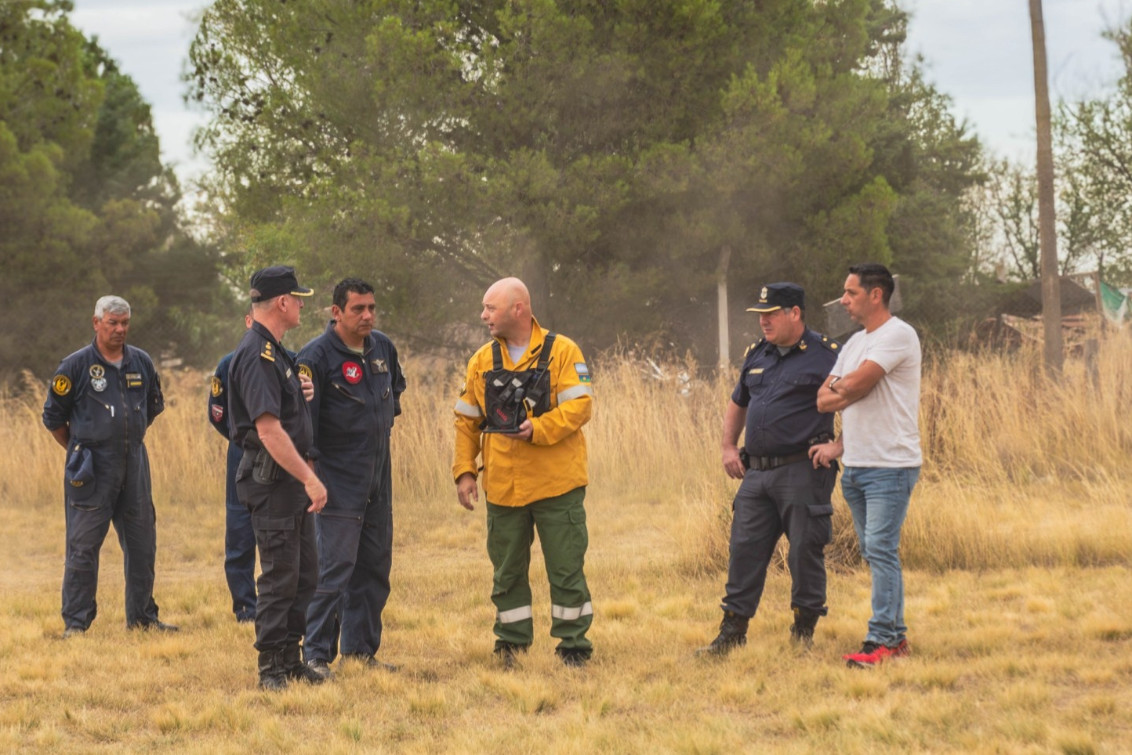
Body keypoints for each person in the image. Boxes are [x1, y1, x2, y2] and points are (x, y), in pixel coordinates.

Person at [453, 277, 596, 668]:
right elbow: (466, 421)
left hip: (557, 486)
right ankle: (511, 647)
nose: (483, 315)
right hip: (503, 488)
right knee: (506, 574)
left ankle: (573, 649)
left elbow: (581, 407)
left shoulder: (563, 352)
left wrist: (539, 429)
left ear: (518, 308)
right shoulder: (481, 361)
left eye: (490, 308)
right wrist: (465, 472)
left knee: (566, 571)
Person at [698, 283, 840, 657]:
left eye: (772, 313)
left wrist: (840, 446)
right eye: (760, 314)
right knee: (743, 550)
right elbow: (738, 402)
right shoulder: (756, 354)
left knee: (803, 553)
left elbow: (858, 400)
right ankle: (732, 632)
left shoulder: (826, 355)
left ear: (795, 313)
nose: (763, 321)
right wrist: (729, 446)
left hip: (803, 470)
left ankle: (803, 630)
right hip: (755, 473)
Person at [42, 295, 178, 637]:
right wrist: (80, 449)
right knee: (83, 546)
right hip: (90, 470)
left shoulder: (142, 362)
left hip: (134, 464)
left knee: (142, 543)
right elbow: (54, 418)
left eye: (124, 323)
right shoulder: (74, 367)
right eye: (112, 323)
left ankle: (143, 618)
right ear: (96, 323)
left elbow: (152, 407)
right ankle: (76, 623)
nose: (119, 329)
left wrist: (127, 440)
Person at [814, 262, 922, 669]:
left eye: (850, 293)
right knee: (874, 551)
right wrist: (841, 437)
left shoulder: (898, 335)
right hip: (857, 462)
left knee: (880, 548)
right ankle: (895, 637)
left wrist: (848, 387)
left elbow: (853, 386)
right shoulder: (856, 343)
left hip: (890, 465)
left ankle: (882, 639)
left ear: (876, 294)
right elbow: (823, 399)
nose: (843, 300)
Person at [297, 278, 406, 680]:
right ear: (336, 312)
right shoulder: (315, 357)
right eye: (358, 309)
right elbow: (304, 428)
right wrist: (312, 479)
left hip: (378, 477)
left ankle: (361, 650)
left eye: (372, 308)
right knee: (334, 568)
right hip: (336, 479)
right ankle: (316, 655)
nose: (368, 316)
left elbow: (392, 400)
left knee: (374, 566)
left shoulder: (383, 348)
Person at [226, 265, 329, 690]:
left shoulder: (276, 350)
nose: (302, 305)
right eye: (298, 298)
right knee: (279, 577)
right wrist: (311, 478)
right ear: (283, 302)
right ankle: (271, 668)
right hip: (274, 484)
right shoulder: (256, 353)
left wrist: (300, 395)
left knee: (304, 574)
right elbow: (267, 430)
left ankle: (290, 657)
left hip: (288, 484)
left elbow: (279, 411)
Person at [208, 307, 258, 623]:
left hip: (282, 456)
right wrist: (243, 439)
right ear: (248, 321)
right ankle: (245, 610)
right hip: (241, 455)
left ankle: (283, 606)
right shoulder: (227, 365)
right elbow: (217, 414)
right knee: (240, 534)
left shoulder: (290, 360)